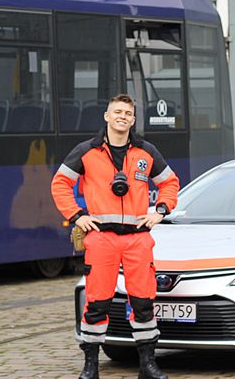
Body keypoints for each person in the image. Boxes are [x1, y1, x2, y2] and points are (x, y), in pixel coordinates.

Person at [52, 94, 179, 379]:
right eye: (117, 112)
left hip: (137, 238)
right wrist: (77, 215)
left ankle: (147, 365)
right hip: (101, 238)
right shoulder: (87, 151)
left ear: (133, 120)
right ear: (107, 117)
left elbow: (170, 183)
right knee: (97, 301)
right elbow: (60, 183)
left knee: (144, 301)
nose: (122, 116)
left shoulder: (146, 151)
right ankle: (91, 366)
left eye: (128, 113)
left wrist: (160, 210)